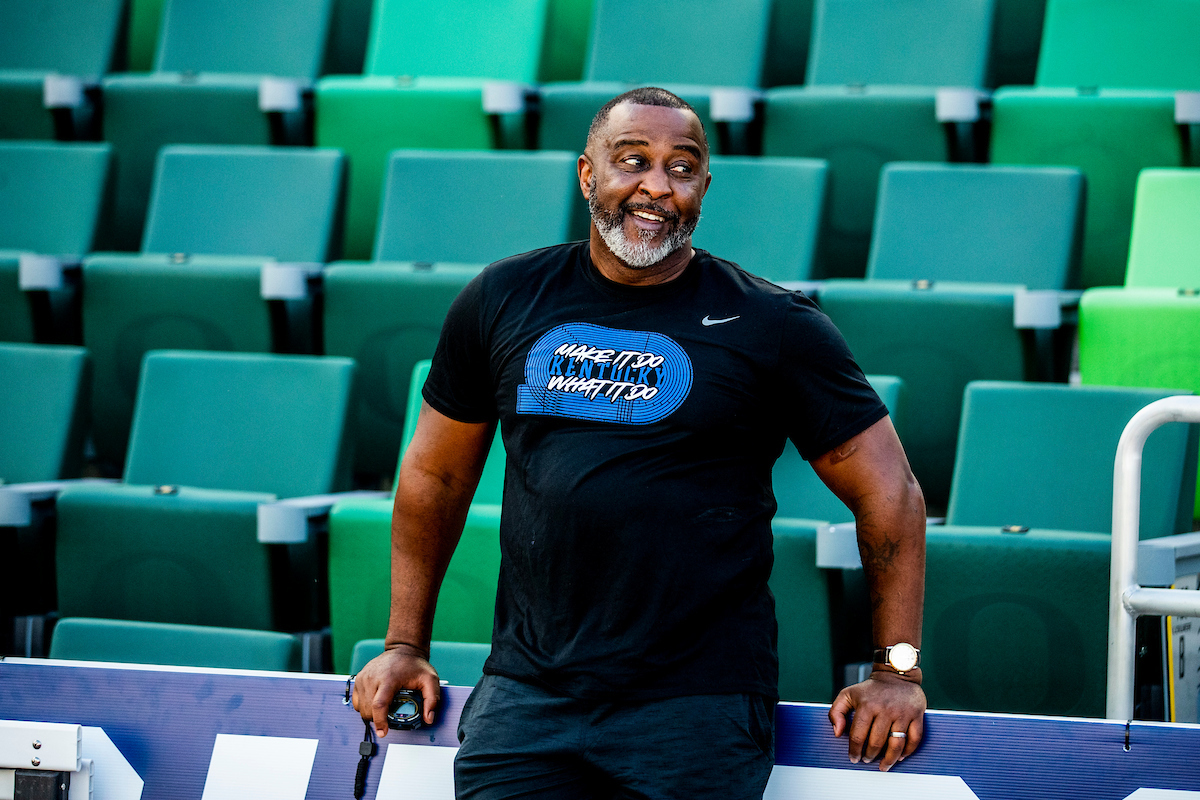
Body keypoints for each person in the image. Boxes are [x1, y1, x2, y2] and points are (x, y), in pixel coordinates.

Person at [352, 86, 927, 798]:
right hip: (529, 700)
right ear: (588, 174)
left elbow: (890, 492)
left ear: (704, 187)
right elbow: (435, 478)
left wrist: (896, 669)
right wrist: (406, 644)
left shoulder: (775, 325)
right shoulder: (503, 298)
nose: (657, 185)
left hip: (695, 709)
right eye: (633, 161)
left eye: (682, 167)